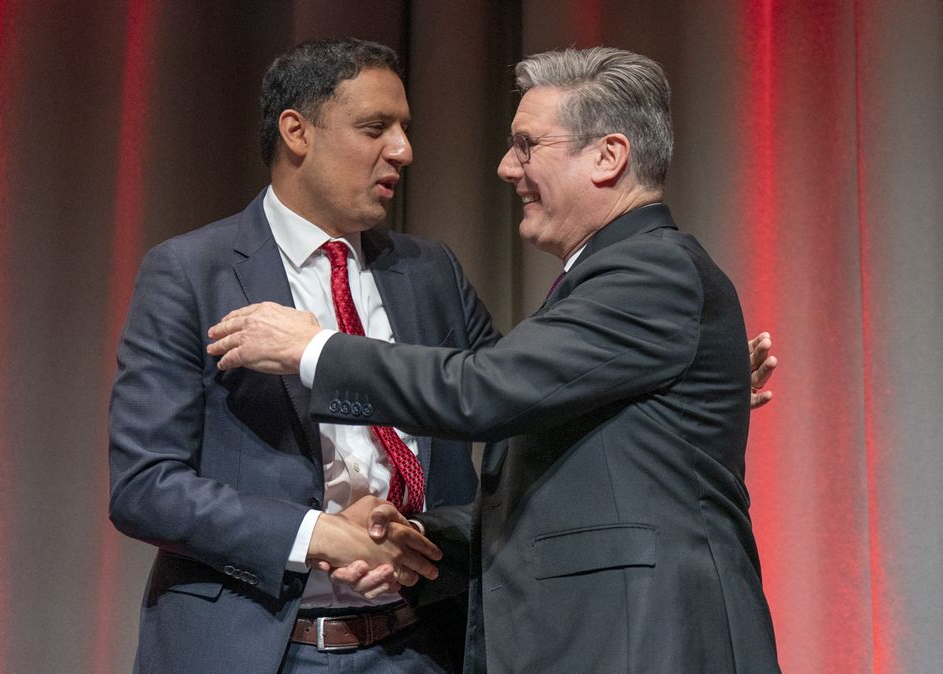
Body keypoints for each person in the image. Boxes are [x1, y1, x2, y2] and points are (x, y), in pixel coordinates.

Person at [208, 46, 781, 673]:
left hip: (651, 641)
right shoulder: (602, 279)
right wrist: (421, 543)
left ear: (608, 157)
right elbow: (568, 481)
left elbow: (483, 389)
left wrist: (312, 349)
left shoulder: (651, 270)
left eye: (528, 146)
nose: (508, 168)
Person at [108, 37, 502, 674]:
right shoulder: (191, 273)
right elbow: (145, 486)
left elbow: (511, 422)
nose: (403, 151)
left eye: (403, 129)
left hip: (421, 645)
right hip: (260, 649)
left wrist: (427, 540)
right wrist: (318, 534)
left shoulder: (431, 272)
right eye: (375, 127)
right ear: (297, 131)